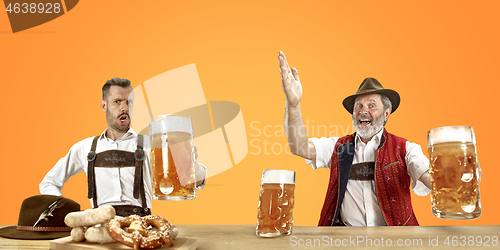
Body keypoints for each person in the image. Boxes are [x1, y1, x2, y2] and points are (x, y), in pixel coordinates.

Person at [278, 51, 431, 226]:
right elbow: (299, 147)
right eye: (359, 106)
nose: (363, 111)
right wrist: (293, 104)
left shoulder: (406, 148)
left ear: (386, 113)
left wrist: (453, 189)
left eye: (372, 105)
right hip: (345, 242)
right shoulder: (339, 147)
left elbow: (429, 177)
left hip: (395, 243)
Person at [40, 77, 206, 217]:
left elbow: (193, 180)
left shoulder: (151, 145)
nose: (124, 107)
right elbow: (49, 182)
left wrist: (191, 166)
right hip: (99, 228)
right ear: (104, 106)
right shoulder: (85, 148)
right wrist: (63, 212)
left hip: (141, 227)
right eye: (117, 101)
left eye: (129, 102)